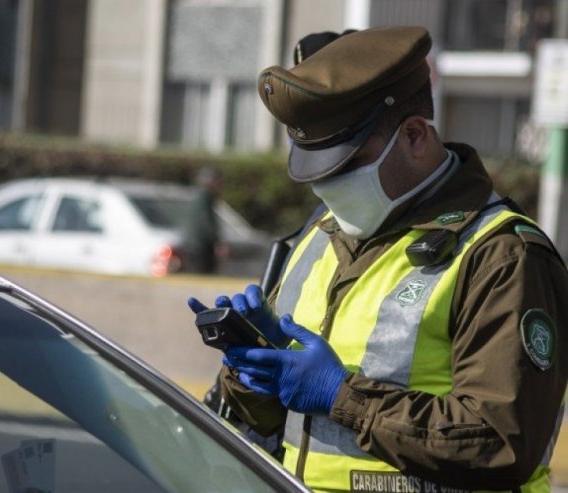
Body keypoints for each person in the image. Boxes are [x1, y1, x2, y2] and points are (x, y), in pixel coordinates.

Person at [188, 26, 568, 491]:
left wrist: (340, 397)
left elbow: (501, 443)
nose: (327, 188)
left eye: (346, 167)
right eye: (317, 171)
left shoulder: (501, 254)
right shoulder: (321, 235)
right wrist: (254, 372)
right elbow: (276, 430)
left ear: (413, 137)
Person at [182, 167, 225, 274]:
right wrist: (217, 241)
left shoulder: (198, 195)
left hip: (195, 244)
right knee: (202, 272)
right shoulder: (204, 197)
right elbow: (206, 222)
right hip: (200, 246)